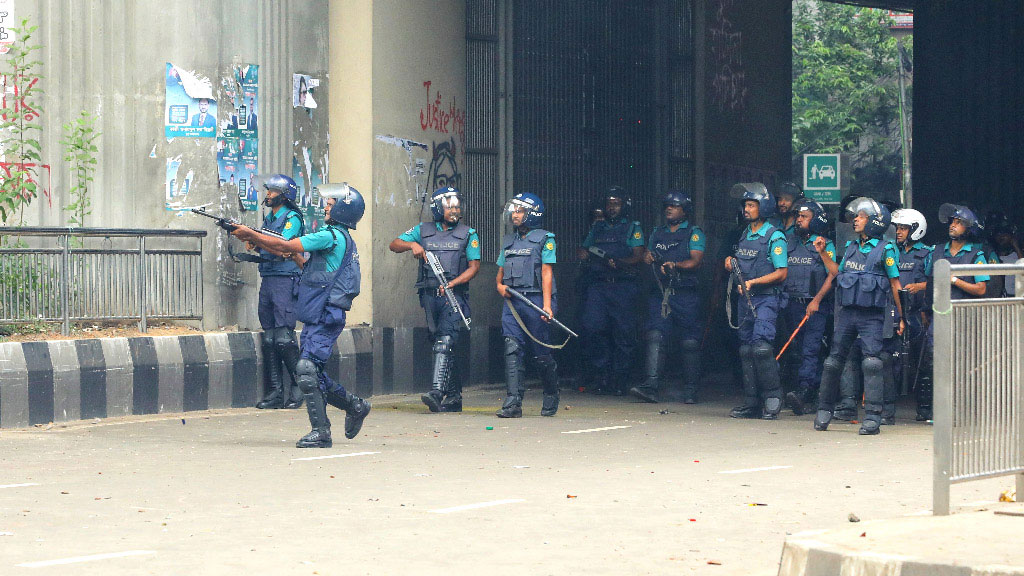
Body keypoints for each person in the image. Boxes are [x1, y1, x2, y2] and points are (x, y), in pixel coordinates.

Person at [231, 184, 371, 448]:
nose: (326, 207)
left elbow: (286, 243)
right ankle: (355, 405)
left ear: (343, 208)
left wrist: (253, 234)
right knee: (310, 372)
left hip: (326, 313)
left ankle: (322, 431)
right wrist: (262, 242)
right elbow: (305, 263)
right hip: (317, 311)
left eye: (331, 203)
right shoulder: (337, 238)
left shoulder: (330, 236)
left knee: (307, 370)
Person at [813, 197, 904, 435]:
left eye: (861, 216)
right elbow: (836, 273)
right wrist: (823, 254)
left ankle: (873, 416)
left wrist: (900, 316)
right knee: (834, 361)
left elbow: (895, 283)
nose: (856, 220)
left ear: (875, 222)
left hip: (872, 316)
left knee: (872, 363)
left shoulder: (886, 249)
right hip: (847, 314)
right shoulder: (852, 247)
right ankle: (824, 411)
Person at [388, 187, 481, 413]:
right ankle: (455, 397)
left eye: (457, 206)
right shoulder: (423, 230)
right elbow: (394, 244)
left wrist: (453, 283)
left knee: (445, 342)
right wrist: (412, 244)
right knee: (440, 344)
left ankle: (437, 393)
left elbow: (474, 267)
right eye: (450, 206)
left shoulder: (469, 233)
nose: (454, 210)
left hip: (453, 296)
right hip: (429, 296)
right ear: (438, 208)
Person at [629, 190, 705, 404]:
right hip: (661, 294)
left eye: (675, 206)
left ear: (685, 210)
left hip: (685, 294)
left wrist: (676, 265)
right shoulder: (657, 232)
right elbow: (647, 253)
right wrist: (647, 256)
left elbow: (696, 261)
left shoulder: (693, 233)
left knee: (689, 342)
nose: (669, 209)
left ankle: (691, 390)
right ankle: (650, 386)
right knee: (655, 335)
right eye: (667, 206)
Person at [725, 183, 788, 420]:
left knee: (761, 348)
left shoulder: (774, 236)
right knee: (745, 350)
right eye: (746, 205)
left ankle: (773, 398)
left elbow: (782, 272)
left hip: (765, 299)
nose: (747, 209)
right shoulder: (745, 234)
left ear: (764, 207)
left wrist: (754, 283)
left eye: (751, 205)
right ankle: (751, 403)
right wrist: (730, 262)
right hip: (745, 300)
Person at [495, 192, 560, 418]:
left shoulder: (545, 238)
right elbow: (500, 271)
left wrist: (547, 305)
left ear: (532, 214)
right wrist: (499, 286)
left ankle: (551, 391)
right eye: (514, 210)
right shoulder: (508, 240)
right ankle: (513, 402)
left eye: (520, 211)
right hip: (512, 302)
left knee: (541, 351)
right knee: (512, 348)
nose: (515, 214)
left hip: (535, 300)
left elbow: (546, 271)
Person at [577, 186, 645, 396]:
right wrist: (584, 255)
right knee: (592, 327)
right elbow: (583, 249)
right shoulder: (598, 228)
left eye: (616, 203)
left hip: (622, 286)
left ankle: (620, 379)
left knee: (623, 333)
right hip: (599, 286)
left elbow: (638, 256)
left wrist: (621, 263)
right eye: (609, 203)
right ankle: (602, 374)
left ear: (624, 206)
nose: (612, 208)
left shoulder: (633, 227)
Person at [247, 174, 306, 411]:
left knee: (284, 337)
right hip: (269, 277)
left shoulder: (292, 218)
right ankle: (275, 392)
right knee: (269, 338)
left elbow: (284, 244)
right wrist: (252, 240)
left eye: (272, 191)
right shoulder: (268, 218)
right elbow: (265, 241)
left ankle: (299, 385)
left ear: (284, 195)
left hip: (285, 278)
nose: (268, 194)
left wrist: (255, 238)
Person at [780, 199, 838, 416]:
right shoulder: (788, 241)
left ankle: (807, 391)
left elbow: (833, 274)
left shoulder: (824, 244)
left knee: (811, 349)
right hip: (791, 304)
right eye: (798, 216)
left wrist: (817, 300)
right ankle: (797, 390)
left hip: (814, 306)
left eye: (804, 217)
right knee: (795, 349)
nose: (799, 220)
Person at [891, 208, 935, 421]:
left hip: (917, 314)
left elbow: (936, 282)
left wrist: (920, 287)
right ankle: (888, 407)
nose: (898, 232)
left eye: (903, 228)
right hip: (894, 313)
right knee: (890, 360)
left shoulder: (928, 253)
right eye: (897, 227)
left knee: (921, 362)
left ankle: (924, 408)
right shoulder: (891, 251)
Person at [985, 211, 1022, 297]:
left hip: (1017, 297)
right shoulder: (992, 255)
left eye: (1004, 234)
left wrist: (1016, 246)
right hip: (999, 297)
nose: (1001, 236)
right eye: (998, 234)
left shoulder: (1017, 254)